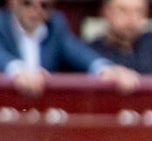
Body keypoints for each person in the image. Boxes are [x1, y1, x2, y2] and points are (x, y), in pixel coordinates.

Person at [0, 0, 138, 96]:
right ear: (12, 2)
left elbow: (77, 51)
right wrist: (17, 69)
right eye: (27, 3)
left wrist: (105, 68)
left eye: (44, 5)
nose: (36, 10)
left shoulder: (55, 25)